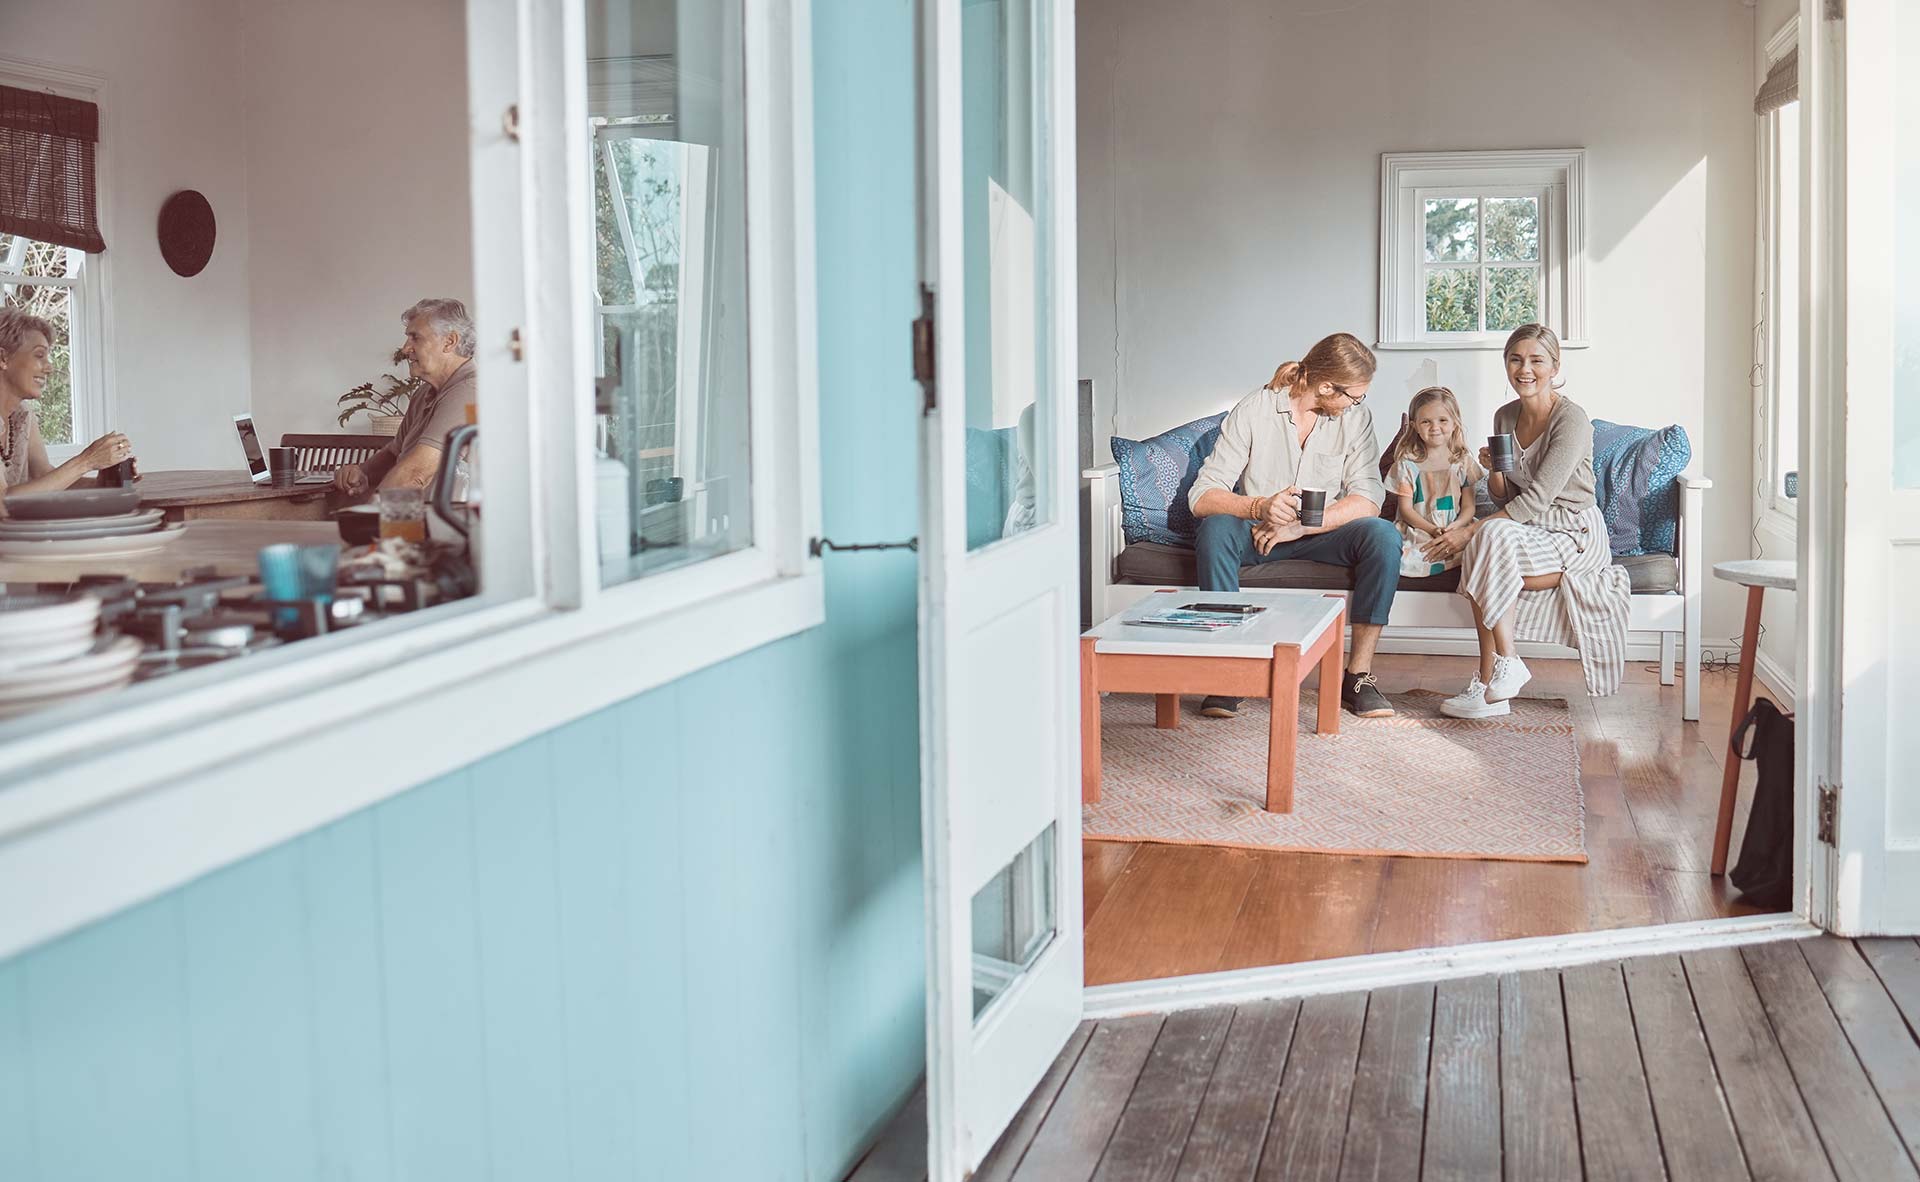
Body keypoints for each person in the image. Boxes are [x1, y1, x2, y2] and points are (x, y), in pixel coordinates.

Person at [1187, 331, 1400, 719]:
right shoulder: (1256, 408)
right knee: (1215, 529)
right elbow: (1202, 495)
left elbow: (1369, 497)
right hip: (1259, 532)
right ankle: (1230, 670)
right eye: (1353, 395)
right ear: (1324, 386)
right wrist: (1259, 506)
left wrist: (1302, 526)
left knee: (1383, 535)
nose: (1356, 403)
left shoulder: (1355, 418)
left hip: (1319, 533)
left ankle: (1358, 676)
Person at [1425, 324, 1630, 719]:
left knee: (1485, 542)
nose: (1525, 369)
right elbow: (1505, 496)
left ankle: (1493, 681)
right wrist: (1494, 471)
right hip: (1527, 528)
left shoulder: (1571, 420)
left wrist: (1469, 531)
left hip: (1574, 530)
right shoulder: (1505, 416)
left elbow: (1538, 497)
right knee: (1490, 540)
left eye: (1536, 360)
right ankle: (1496, 682)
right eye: (1516, 359)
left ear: (1554, 366)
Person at [334, 298, 478, 497]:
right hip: (420, 516)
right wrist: (363, 472)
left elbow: (416, 474)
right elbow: (395, 453)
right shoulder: (423, 394)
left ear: (449, 342)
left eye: (415, 338)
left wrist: (371, 521)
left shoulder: (470, 391)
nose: (405, 348)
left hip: (452, 523)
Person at [0, 307, 135, 504]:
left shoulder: (22, 415)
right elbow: (2, 502)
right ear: (3, 358)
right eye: (39, 355)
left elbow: (43, 477)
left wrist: (102, 482)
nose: (49, 367)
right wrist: (86, 461)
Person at [1389, 386, 1482, 578]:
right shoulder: (1407, 464)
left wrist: (1456, 527)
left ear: (1455, 423)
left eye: (1442, 420)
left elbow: (1469, 506)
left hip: (1455, 527)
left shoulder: (1462, 462)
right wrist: (1432, 529)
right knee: (1407, 558)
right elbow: (1406, 510)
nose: (1435, 427)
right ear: (1414, 426)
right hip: (1420, 528)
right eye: (1426, 422)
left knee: (1482, 550)